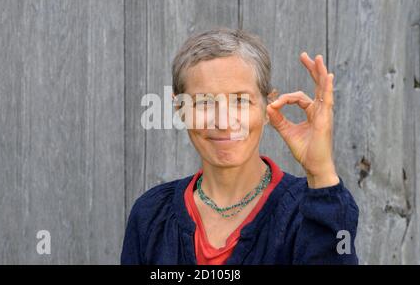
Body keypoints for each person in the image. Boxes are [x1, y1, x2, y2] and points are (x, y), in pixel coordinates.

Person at [121, 27, 359, 264]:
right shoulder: (151, 214)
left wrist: (320, 173)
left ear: (268, 105)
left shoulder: (308, 212)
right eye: (204, 102)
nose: (224, 122)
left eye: (240, 101)